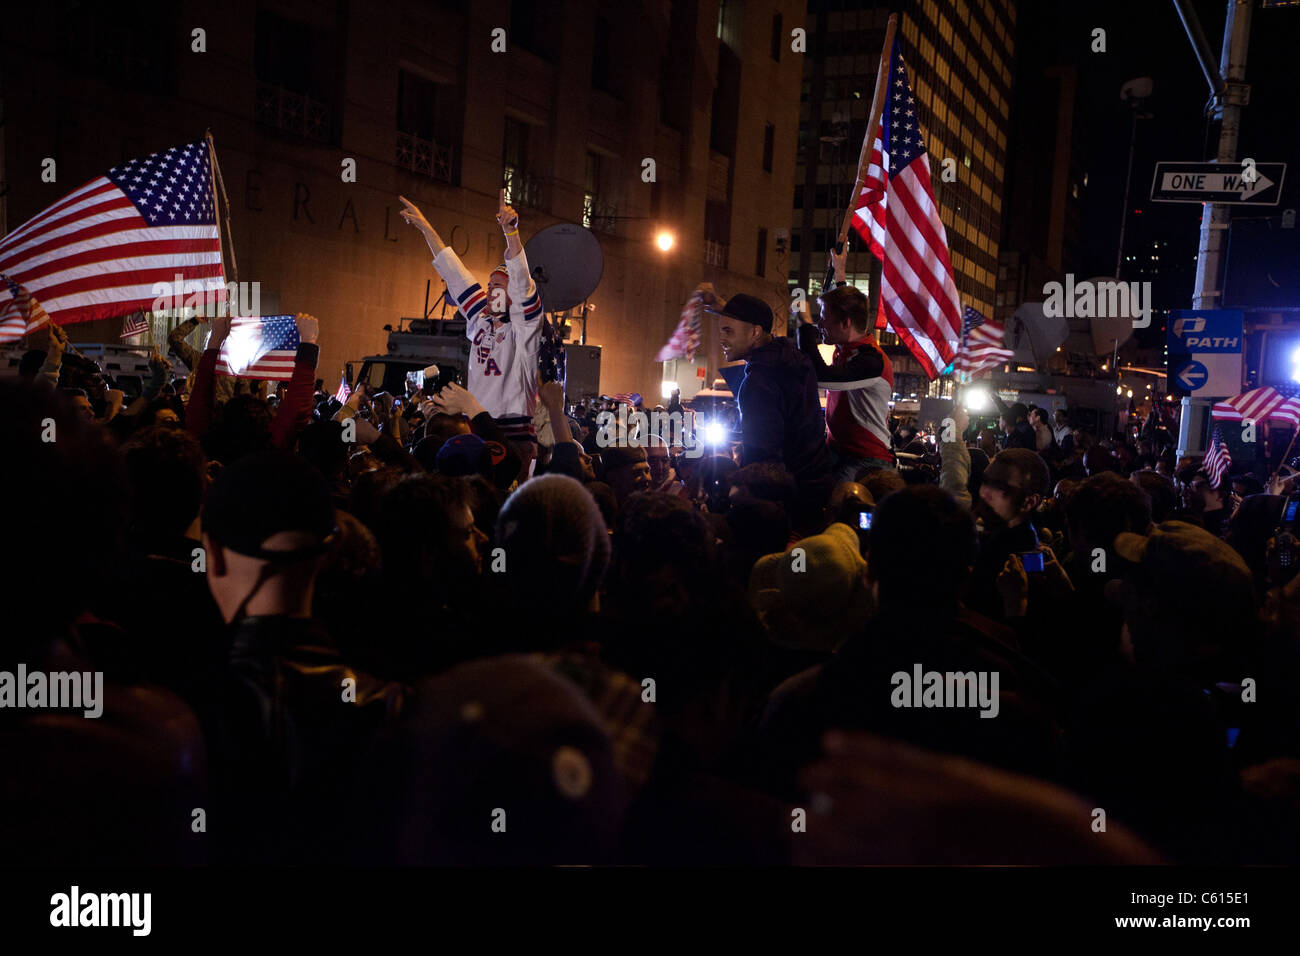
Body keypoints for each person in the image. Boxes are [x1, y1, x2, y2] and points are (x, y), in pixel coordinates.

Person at [400, 190, 544, 448]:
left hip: (512, 435)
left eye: (498, 285)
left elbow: (523, 283)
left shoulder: (524, 329)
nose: (489, 291)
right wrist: (425, 226)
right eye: (489, 284)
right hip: (475, 427)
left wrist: (511, 234)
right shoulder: (482, 317)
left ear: (513, 296)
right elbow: (454, 272)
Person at [715, 292, 832, 527]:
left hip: (782, 503)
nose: (722, 338)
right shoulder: (793, 360)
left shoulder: (759, 381)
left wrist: (743, 492)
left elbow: (762, 456)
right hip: (815, 490)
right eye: (721, 331)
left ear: (756, 332)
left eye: (728, 331)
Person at [795, 246, 894, 482]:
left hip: (866, 459)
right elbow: (846, 306)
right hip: (838, 450)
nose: (820, 324)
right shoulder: (849, 346)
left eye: (824, 318)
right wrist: (840, 273)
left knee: (834, 503)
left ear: (845, 323)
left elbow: (820, 376)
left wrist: (804, 324)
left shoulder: (871, 361)